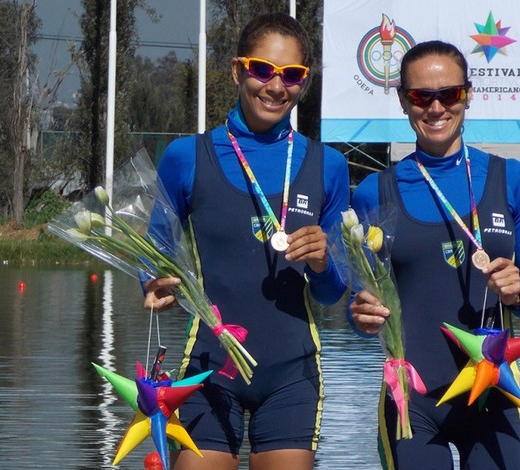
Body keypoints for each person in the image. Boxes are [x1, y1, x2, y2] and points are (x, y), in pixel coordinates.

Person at [143, 13, 350, 470]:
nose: (276, 86)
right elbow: (153, 252)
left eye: (292, 75)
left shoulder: (328, 166)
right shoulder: (186, 156)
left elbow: (334, 293)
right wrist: (151, 282)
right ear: (238, 70)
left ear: (304, 82)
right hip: (207, 368)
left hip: (291, 374)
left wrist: (322, 265)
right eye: (262, 69)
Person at [349, 40, 520, 469]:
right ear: (404, 100)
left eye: (450, 94)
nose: (436, 107)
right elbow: (363, 303)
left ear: (468, 94)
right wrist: (360, 316)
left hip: (493, 392)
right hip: (413, 400)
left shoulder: (512, 179)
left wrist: (519, 295)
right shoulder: (373, 193)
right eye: (422, 96)